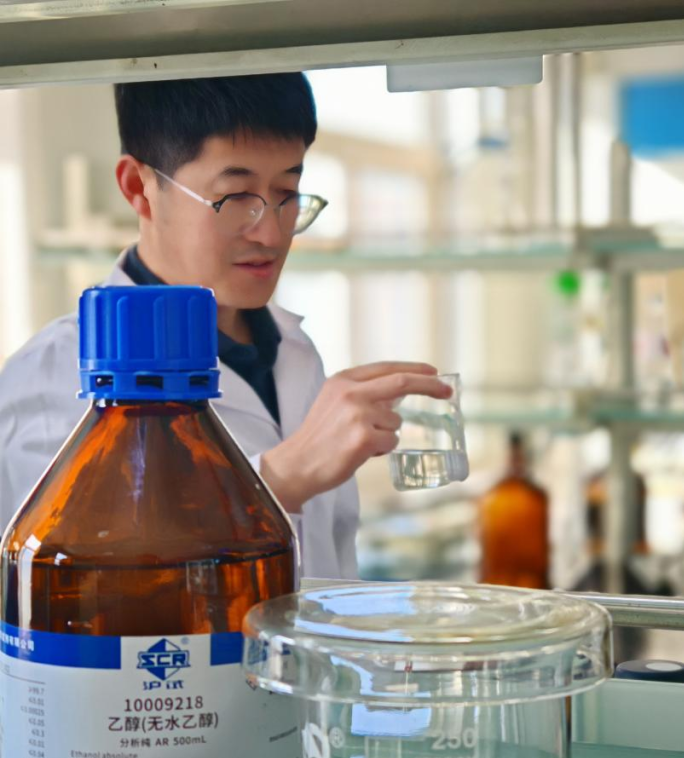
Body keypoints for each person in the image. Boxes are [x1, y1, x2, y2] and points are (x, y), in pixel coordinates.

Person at [0, 73, 450, 581]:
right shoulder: (52, 378)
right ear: (139, 189)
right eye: (235, 196)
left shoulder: (294, 351)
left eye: (287, 192)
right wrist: (282, 477)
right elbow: (84, 588)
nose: (270, 233)